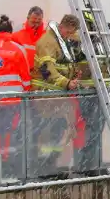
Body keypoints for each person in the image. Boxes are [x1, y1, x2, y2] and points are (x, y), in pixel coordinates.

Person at [33, 14, 100, 176]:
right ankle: (44, 168)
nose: (70, 36)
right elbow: (47, 69)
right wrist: (66, 83)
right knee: (47, 133)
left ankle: (51, 166)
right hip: (45, 95)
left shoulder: (60, 40)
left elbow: (63, 64)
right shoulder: (47, 42)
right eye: (69, 33)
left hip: (56, 97)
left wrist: (72, 75)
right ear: (63, 27)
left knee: (58, 131)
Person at [0, 16, 30, 176]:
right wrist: (26, 94)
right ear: (10, 32)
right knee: (9, 132)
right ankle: (7, 164)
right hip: (12, 100)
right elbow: (26, 77)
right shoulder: (18, 49)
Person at [13, 6, 46, 74]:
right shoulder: (18, 31)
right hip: (22, 72)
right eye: (33, 22)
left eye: (38, 22)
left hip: (39, 74)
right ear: (28, 18)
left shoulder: (46, 33)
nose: (36, 25)